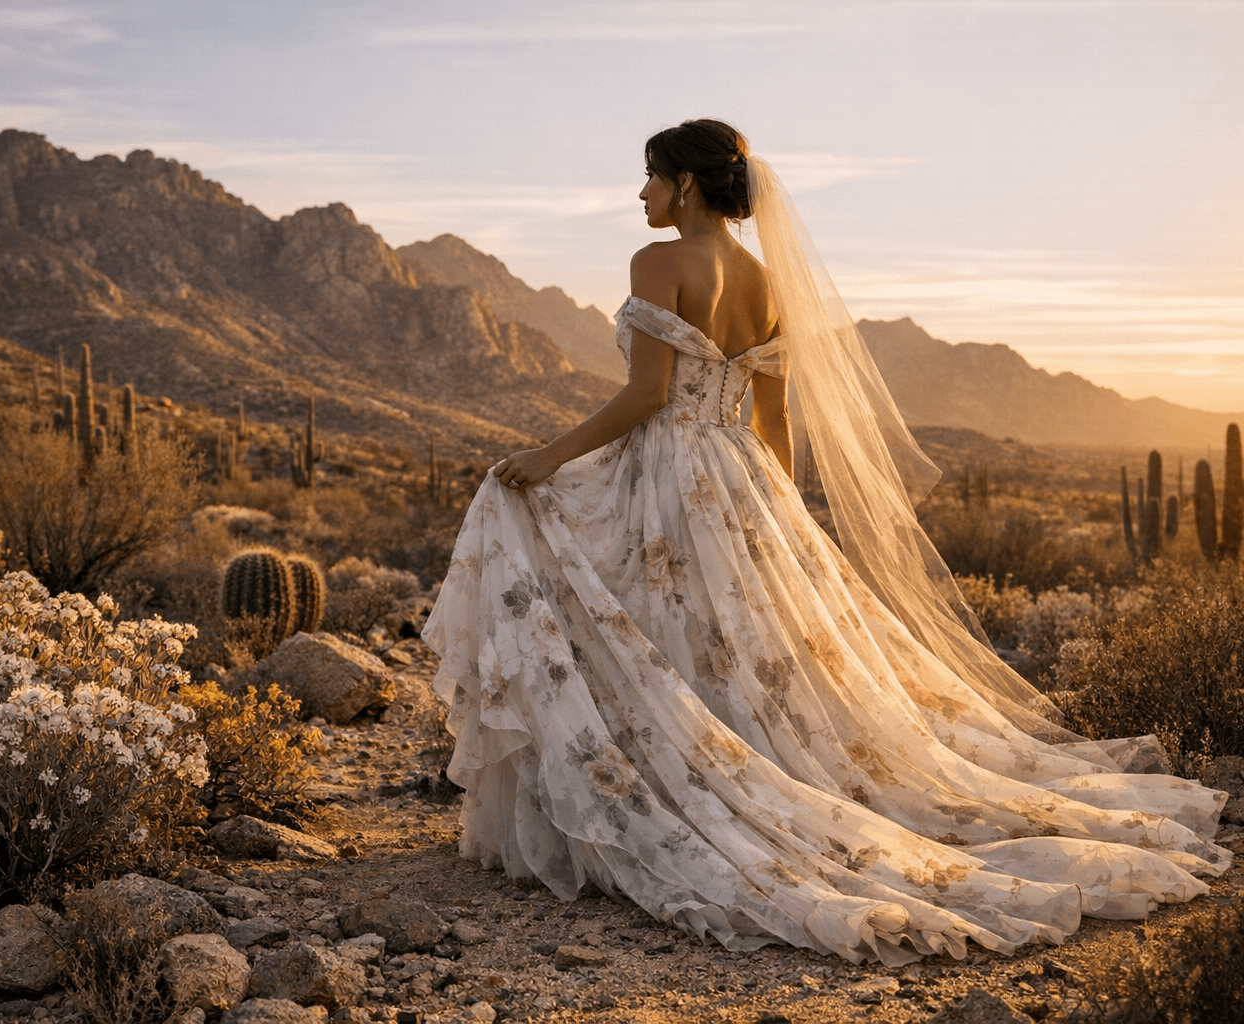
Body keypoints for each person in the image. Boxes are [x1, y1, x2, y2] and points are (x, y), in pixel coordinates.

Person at [421, 119, 1230, 966]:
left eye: (651, 177)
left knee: (649, 623)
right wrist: (778, 523)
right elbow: (775, 424)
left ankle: (688, 791)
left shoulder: (657, 263)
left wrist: (550, 455)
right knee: (737, 647)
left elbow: (648, 394)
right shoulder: (768, 281)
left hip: (668, 472)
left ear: (687, 184)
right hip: (743, 483)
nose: (642, 194)